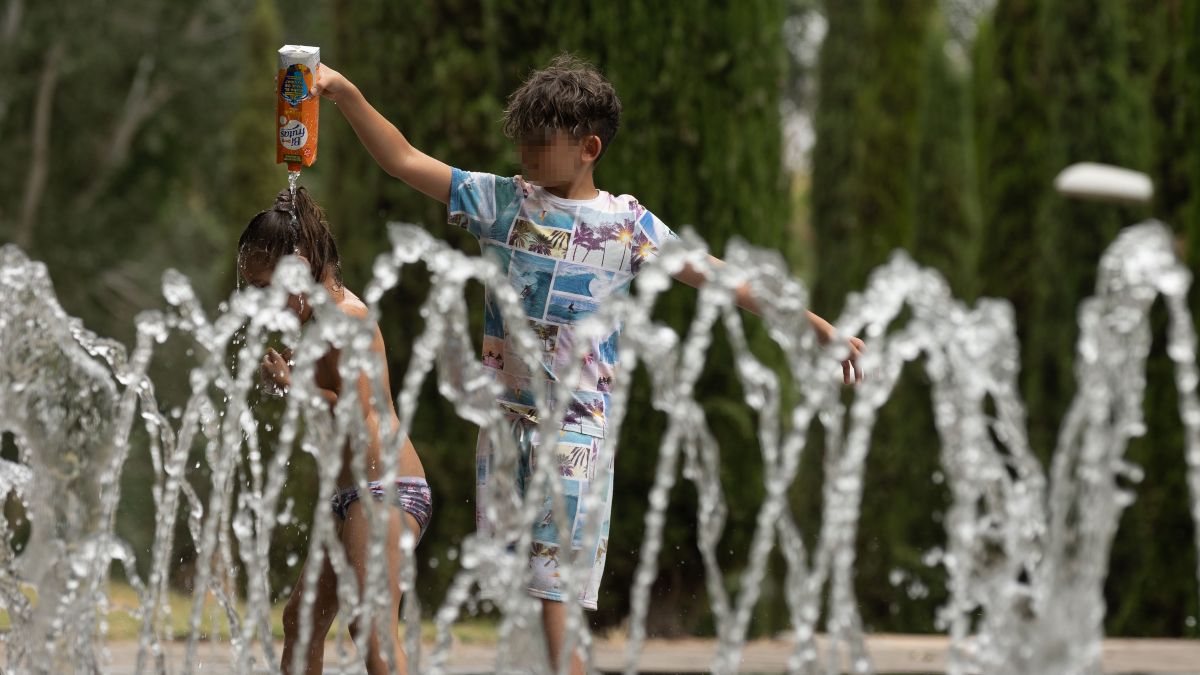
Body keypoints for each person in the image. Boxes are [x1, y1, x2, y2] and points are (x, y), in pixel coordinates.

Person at [312, 54, 862, 674]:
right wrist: (345, 93)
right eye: (521, 143)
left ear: (588, 147)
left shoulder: (627, 227)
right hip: (504, 431)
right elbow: (405, 160)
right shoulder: (502, 205)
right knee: (522, 589)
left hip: (576, 434)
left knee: (557, 594)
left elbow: (719, 279)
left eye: (540, 145)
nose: (525, 156)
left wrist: (813, 327)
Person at [239, 187, 431, 675]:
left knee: (370, 627)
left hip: (385, 488)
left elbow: (358, 411)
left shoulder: (346, 317)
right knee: (301, 621)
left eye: (265, 287)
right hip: (351, 493)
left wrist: (293, 382)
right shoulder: (321, 320)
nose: (259, 302)